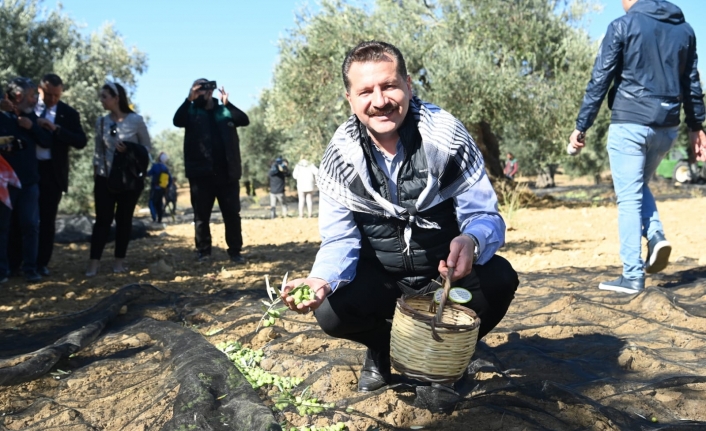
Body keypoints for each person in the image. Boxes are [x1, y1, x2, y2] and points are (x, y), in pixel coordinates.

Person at [282, 41, 519, 392]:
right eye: (365, 91)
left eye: (389, 86)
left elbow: (486, 215)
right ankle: (383, 349)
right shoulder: (339, 159)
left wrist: (471, 240)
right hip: (383, 282)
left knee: (500, 278)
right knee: (331, 311)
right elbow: (340, 240)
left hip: (444, 281)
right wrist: (321, 280)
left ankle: (451, 352)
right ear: (350, 99)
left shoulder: (447, 138)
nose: (379, 101)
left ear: (408, 85)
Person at [569, 0, 706, 294]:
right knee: (639, 186)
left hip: (630, 122)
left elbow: (600, 79)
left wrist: (582, 126)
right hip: (668, 126)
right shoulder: (684, 30)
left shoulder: (623, 25)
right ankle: (655, 236)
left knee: (629, 197)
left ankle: (632, 275)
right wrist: (697, 127)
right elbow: (691, 82)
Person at [173, 79, 250, 263]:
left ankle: (235, 252)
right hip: (200, 175)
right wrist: (188, 98)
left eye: (205, 88)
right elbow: (177, 120)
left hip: (227, 174)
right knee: (201, 216)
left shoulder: (223, 109)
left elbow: (243, 120)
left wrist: (227, 103)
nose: (203, 92)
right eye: (198, 89)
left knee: (232, 214)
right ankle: (204, 252)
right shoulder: (191, 110)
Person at [22, 74, 86, 276]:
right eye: (48, 94)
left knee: (47, 221)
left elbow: (80, 141)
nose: (52, 99)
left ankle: (41, 263)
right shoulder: (27, 108)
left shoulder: (69, 113)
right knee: (23, 219)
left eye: (57, 96)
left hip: (53, 173)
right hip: (28, 169)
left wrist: (57, 129)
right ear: (40, 89)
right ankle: (19, 263)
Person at [86, 82, 151, 277]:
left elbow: (147, 149)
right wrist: (96, 173)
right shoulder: (102, 122)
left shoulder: (136, 120)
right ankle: (93, 263)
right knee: (102, 221)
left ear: (116, 98)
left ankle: (119, 262)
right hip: (105, 178)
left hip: (129, 180)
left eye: (105, 96)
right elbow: (98, 152)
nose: (102, 100)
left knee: (124, 220)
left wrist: (129, 148)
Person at [0, 78, 52, 283]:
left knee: (31, 225)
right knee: (3, 228)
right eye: (33, 95)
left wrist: (32, 127)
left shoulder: (33, 118)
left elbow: (47, 142)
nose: (36, 100)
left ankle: (30, 268)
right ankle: (3, 270)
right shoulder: (2, 118)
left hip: (30, 182)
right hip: (5, 183)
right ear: (19, 96)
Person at [147, 152, 172, 224]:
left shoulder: (155, 166)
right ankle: (160, 219)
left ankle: (154, 218)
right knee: (159, 203)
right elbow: (170, 179)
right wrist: (167, 187)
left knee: (151, 202)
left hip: (155, 188)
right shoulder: (166, 168)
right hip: (162, 189)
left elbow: (149, 173)